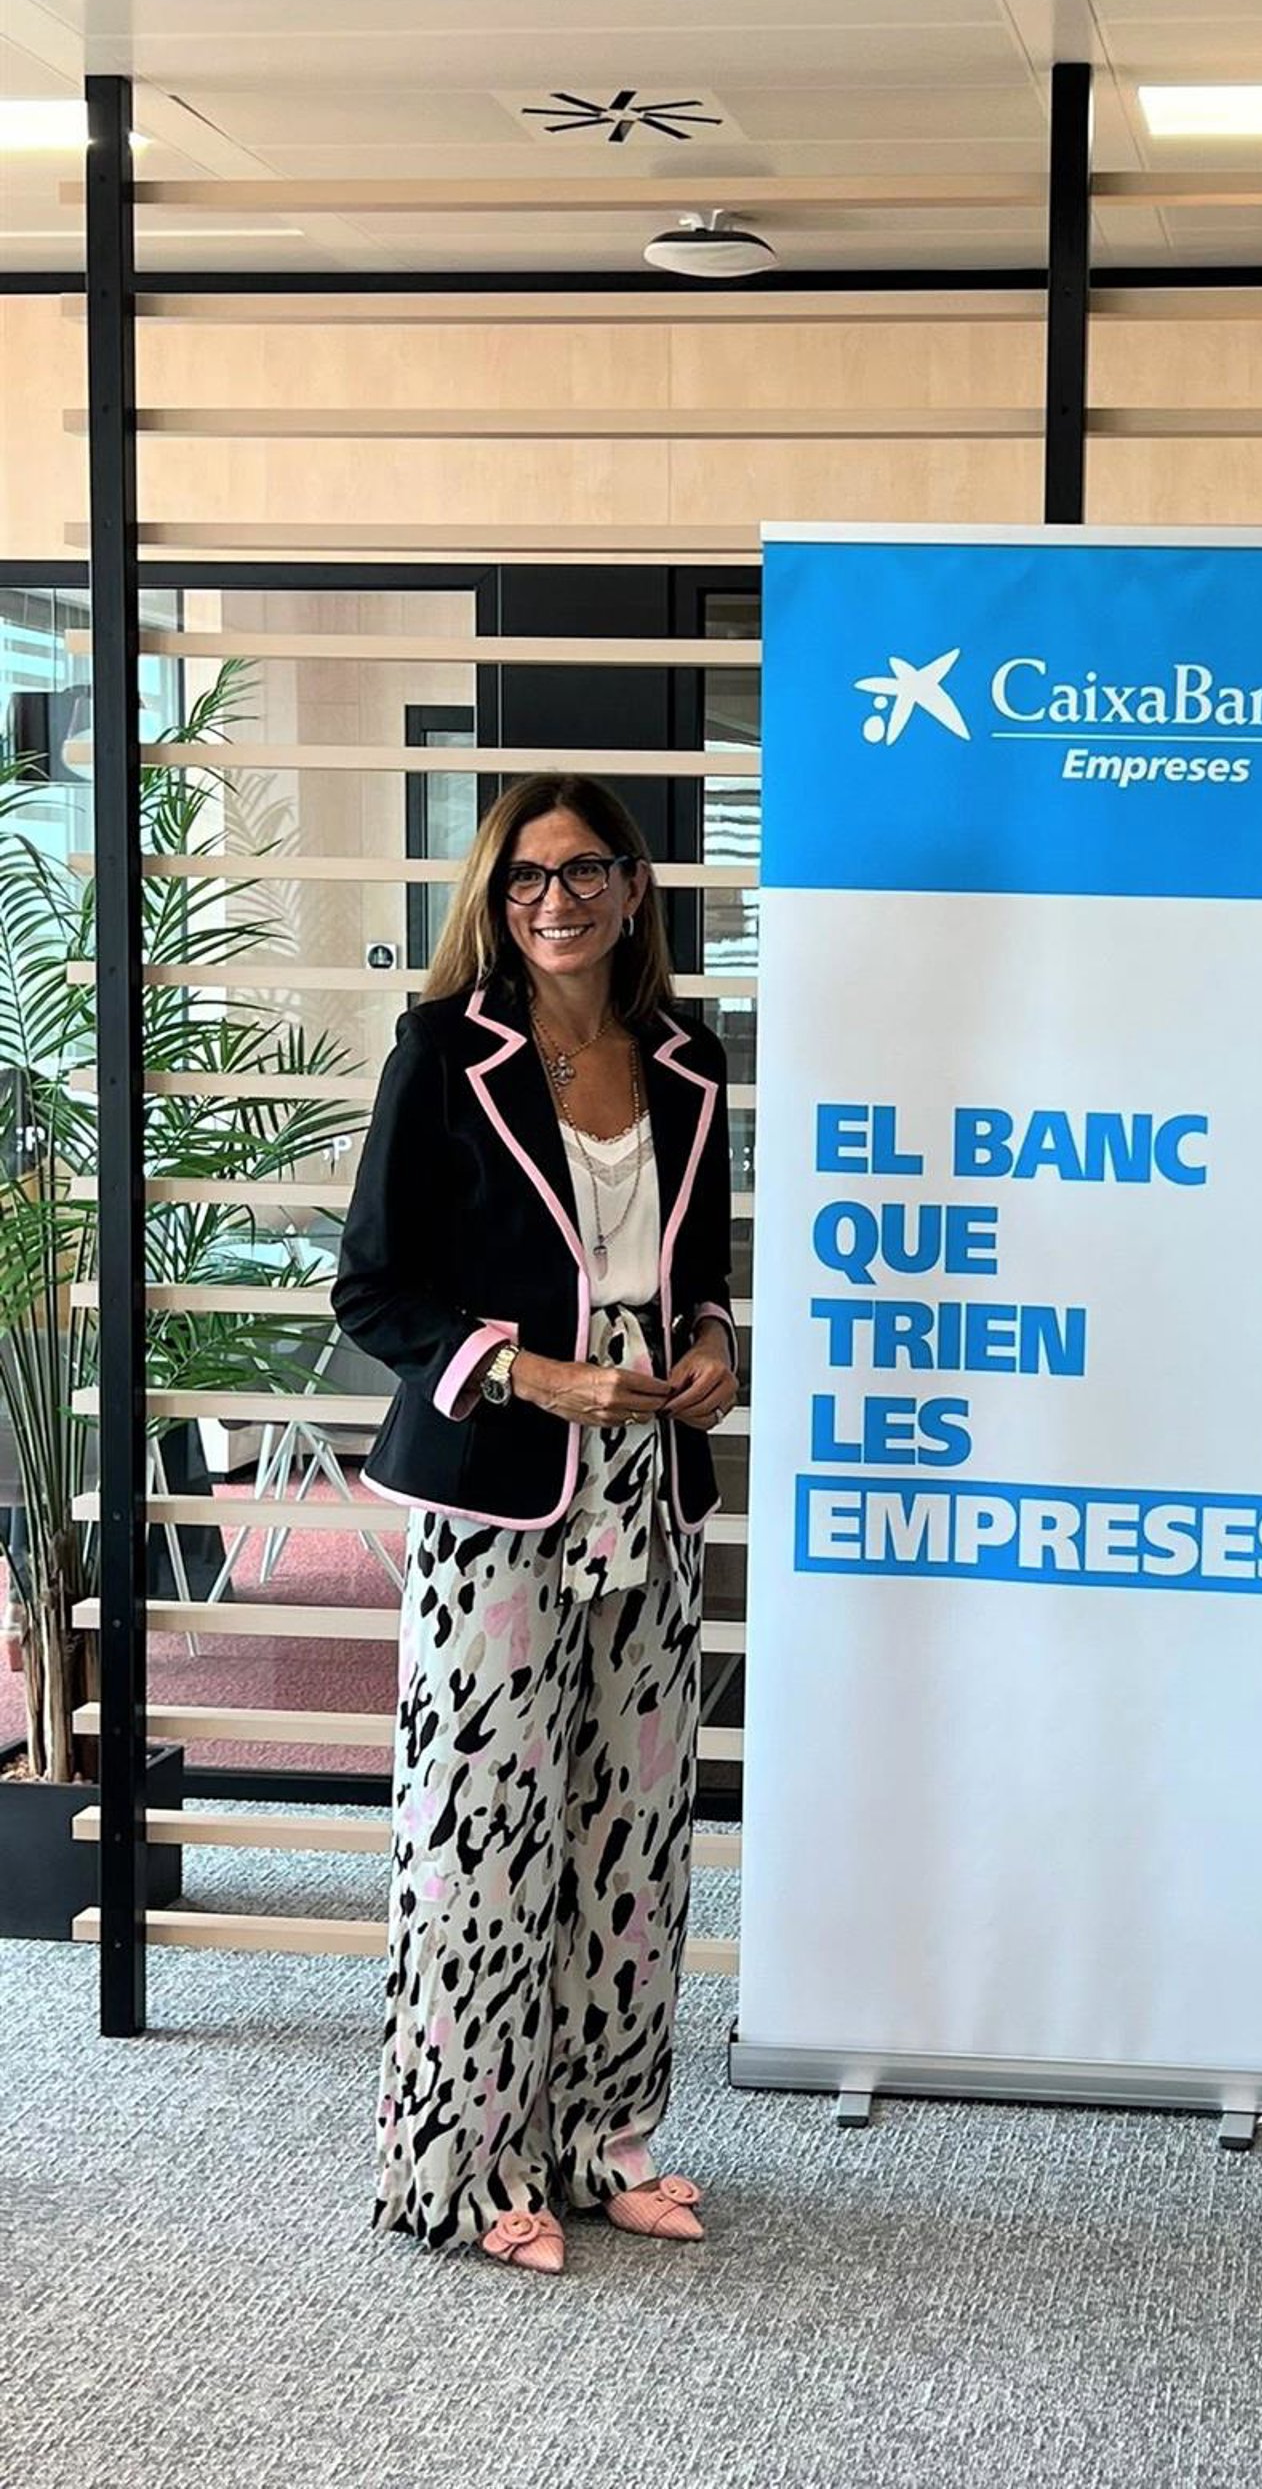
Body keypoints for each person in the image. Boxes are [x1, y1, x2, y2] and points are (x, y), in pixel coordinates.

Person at [333, 773, 738, 2276]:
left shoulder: (688, 1058)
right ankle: (468, 2165)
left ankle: (604, 2140)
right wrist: (526, 1373)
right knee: (486, 1831)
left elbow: (697, 1269)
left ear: (632, 888)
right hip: (496, 1485)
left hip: (650, 1482)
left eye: (581, 871)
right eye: (524, 877)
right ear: (494, 901)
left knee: (633, 1831)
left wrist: (715, 1344)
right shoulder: (445, 1050)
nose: (553, 900)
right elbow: (372, 1289)